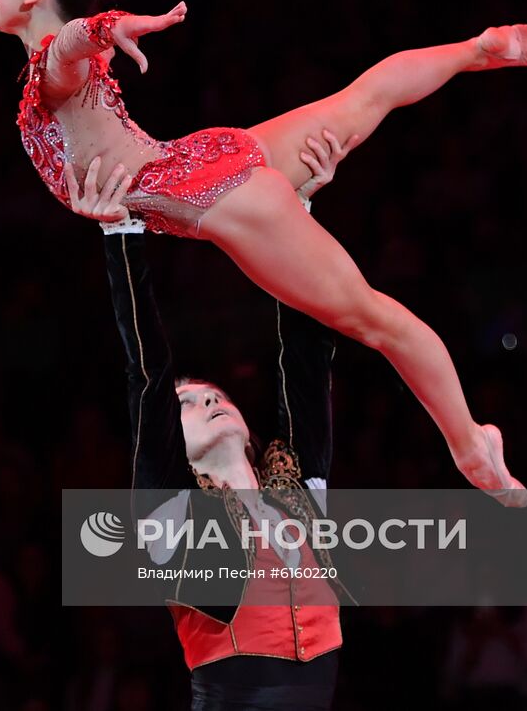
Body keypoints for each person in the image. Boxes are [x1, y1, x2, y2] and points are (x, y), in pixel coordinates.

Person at [0, 0, 527, 505]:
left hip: (208, 194)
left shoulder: (53, 67)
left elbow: (70, 43)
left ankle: (471, 445)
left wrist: (107, 25)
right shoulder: (52, 55)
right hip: (206, 158)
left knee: (373, 319)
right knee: (364, 98)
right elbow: (68, 34)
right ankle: (477, 47)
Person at [75, 133, 356, 710]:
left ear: (249, 431)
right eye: (189, 404)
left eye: (213, 396)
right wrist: (122, 237)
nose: (206, 402)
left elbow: (304, 357)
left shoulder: (299, 494)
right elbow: (147, 378)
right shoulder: (167, 514)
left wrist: (296, 213)